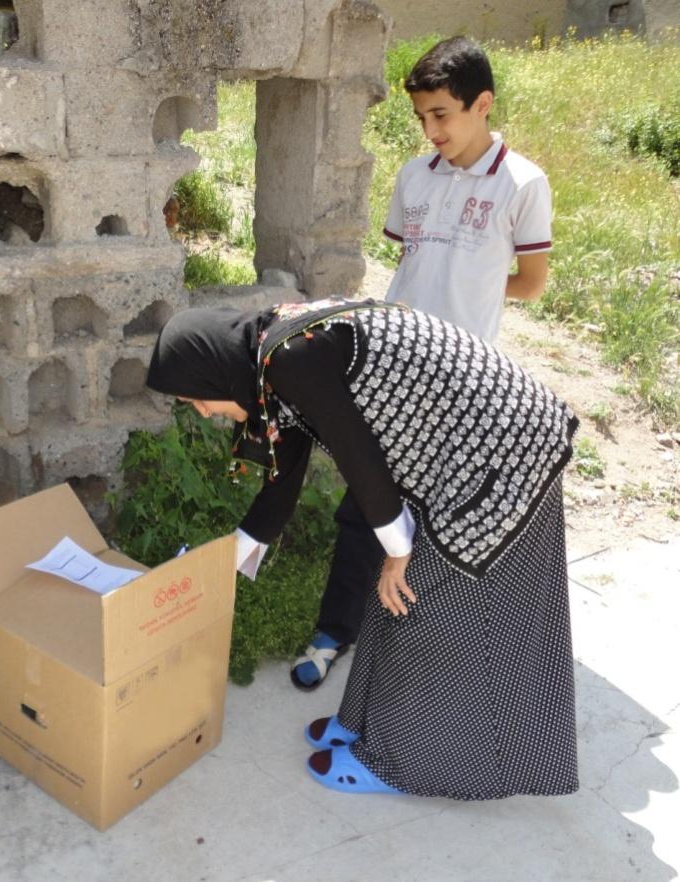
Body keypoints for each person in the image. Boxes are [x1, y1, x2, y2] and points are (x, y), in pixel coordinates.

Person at [146, 298, 579, 798]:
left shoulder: (289, 359)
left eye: (199, 400)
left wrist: (399, 550)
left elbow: (359, 457)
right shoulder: (271, 359)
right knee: (390, 596)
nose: (205, 412)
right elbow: (281, 488)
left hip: (501, 452)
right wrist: (217, 568)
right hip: (463, 450)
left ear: (213, 374)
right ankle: (366, 723)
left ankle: (397, 763)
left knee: (424, 604)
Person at [291, 36, 554, 690]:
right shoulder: (412, 178)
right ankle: (333, 633)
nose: (431, 129)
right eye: (421, 117)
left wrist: (470, 302)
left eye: (442, 114)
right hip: (392, 372)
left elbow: (531, 282)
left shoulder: (521, 184)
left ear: (482, 105)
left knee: (444, 522)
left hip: (465, 384)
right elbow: (409, 262)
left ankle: (429, 661)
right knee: (365, 507)